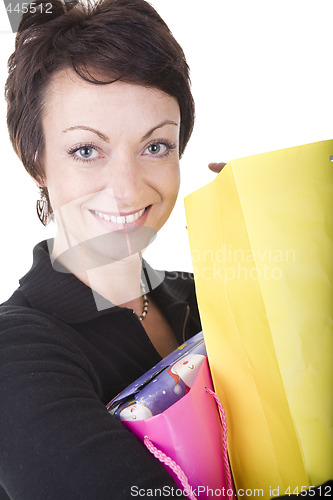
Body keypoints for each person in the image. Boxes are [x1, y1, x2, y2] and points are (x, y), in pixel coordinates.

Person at [0, 0, 203, 497]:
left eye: (155, 146)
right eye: (86, 150)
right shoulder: (14, 354)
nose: (129, 190)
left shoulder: (208, 300)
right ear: (37, 161)